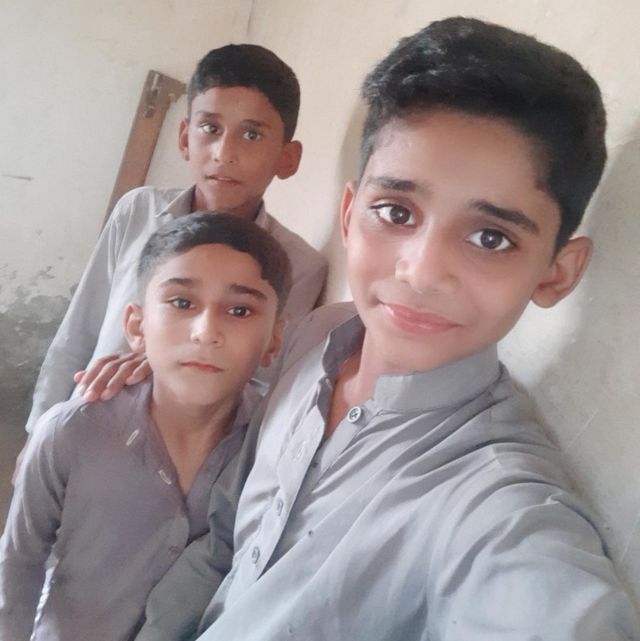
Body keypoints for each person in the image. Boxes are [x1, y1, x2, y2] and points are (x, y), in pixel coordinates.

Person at [135, 17, 640, 641]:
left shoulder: (502, 511)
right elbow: (224, 541)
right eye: (396, 211)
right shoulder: (315, 335)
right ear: (350, 215)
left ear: (557, 273)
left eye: (491, 237)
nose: (421, 272)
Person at [0, 212, 292, 641]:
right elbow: (17, 567)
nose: (205, 332)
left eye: (239, 310)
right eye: (182, 303)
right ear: (137, 326)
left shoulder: (277, 447)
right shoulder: (72, 432)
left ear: (274, 340)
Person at [24, 43, 327, 433]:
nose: (224, 153)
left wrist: (166, 362)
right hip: (80, 428)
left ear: (288, 158)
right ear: (185, 138)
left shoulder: (298, 265)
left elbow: (262, 384)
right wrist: (38, 430)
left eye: (252, 134)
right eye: (210, 129)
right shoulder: (137, 212)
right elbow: (78, 331)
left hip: (182, 453)